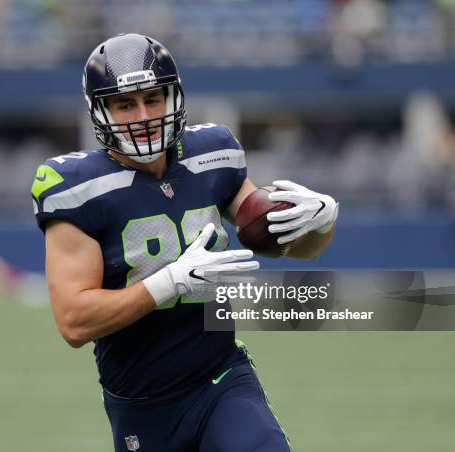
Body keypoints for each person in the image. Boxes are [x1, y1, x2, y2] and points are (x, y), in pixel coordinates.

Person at [31, 33, 338, 452]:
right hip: (142, 403)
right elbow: (74, 321)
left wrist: (319, 221)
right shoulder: (76, 187)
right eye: (125, 104)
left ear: (174, 97)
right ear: (100, 111)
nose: (142, 115)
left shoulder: (212, 154)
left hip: (221, 379)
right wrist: (168, 283)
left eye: (153, 98)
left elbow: (289, 245)